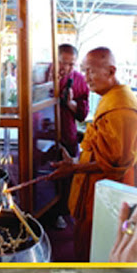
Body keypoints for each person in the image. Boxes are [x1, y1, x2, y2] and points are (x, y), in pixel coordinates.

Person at [50, 47, 137, 261]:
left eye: (90, 72)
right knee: (86, 239)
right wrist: (76, 161)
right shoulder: (110, 97)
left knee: (100, 243)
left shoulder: (123, 109)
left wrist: (74, 168)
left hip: (112, 190)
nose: (86, 78)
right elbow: (102, 149)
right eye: (84, 71)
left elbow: (115, 162)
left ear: (111, 71)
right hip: (97, 183)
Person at [53, 44, 90, 229]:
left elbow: (83, 113)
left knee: (67, 175)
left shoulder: (79, 80)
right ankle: (41, 210)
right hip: (43, 131)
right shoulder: (43, 75)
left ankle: (61, 211)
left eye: (71, 64)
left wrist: (70, 103)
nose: (65, 68)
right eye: (62, 62)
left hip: (67, 132)